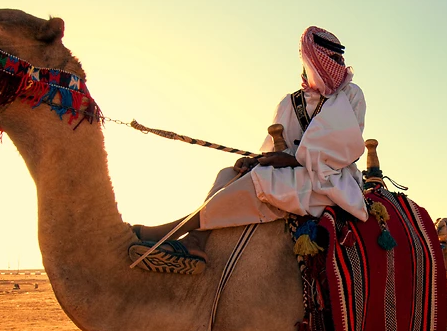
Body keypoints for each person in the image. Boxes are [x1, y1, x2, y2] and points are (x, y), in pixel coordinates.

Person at [129, 26, 367, 273]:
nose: (337, 65)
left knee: (266, 181)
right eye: (329, 59)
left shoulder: (350, 96)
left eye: (338, 59)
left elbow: (341, 149)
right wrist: (256, 160)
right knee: (228, 175)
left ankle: (168, 231)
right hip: (292, 170)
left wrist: (287, 161)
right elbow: (276, 147)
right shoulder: (291, 102)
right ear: (311, 61)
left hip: (331, 179)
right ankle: (196, 242)